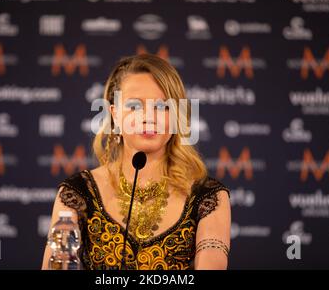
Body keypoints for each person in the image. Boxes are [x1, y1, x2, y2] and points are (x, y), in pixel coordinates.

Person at [42, 53, 230, 270]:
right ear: (114, 115)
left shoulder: (208, 197)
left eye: (161, 106)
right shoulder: (77, 193)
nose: (148, 116)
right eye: (134, 105)